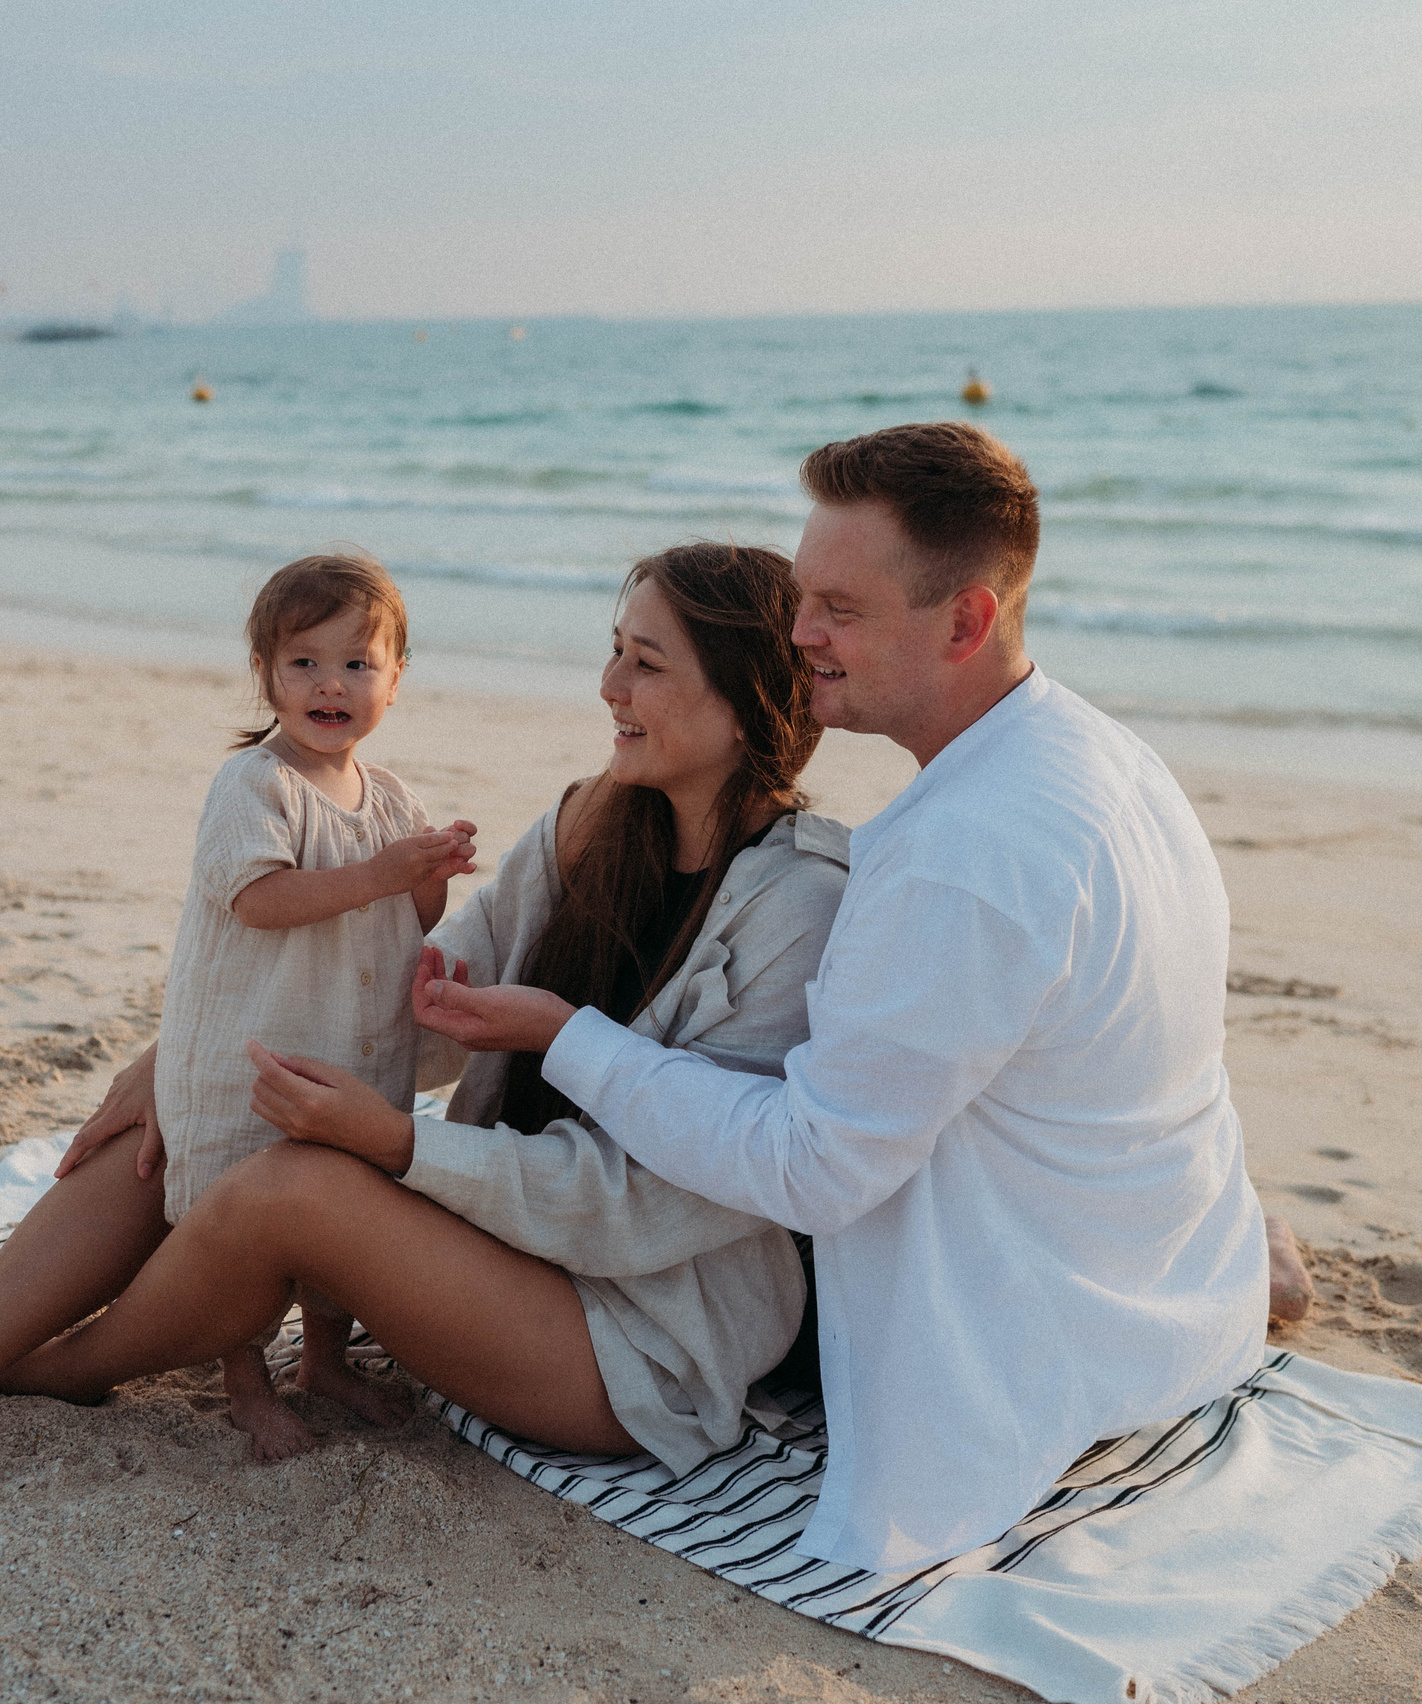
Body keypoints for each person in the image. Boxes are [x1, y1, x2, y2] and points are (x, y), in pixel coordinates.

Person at [0, 542, 848, 1490]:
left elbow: (670, 1198)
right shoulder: (596, 818)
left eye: (643, 663)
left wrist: (397, 1147)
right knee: (179, 1104)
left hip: (627, 1336)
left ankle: (35, 1370)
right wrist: (183, 1057)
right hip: (506, 1242)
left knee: (293, 1185)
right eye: (612, 651)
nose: (606, 686)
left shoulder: (798, 907)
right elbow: (421, 1005)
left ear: (741, 701)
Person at [415, 422, 1278, 1572]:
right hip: (1171, 1281)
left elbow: (811, 1172)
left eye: (839, 610)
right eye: (802, 596)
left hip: (1053, 1347)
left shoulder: (955, 856)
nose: (798, 632)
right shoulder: (1095, 750)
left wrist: (568, 1037)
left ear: (965, 621)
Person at [146, 552, 478, 1458]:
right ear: (267, 675)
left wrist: (427, 876)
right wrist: (377, 872)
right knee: (241, 1229)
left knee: (347, 1207)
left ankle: (323, 1360)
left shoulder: (394, 798)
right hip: (256, 1050)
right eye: (305, 662)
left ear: (396, 682)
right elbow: (260, 899)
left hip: (351, 1048)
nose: (332, 684)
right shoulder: (255, 783)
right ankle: (245, 1380)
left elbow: (408, 918)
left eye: (359, 664)